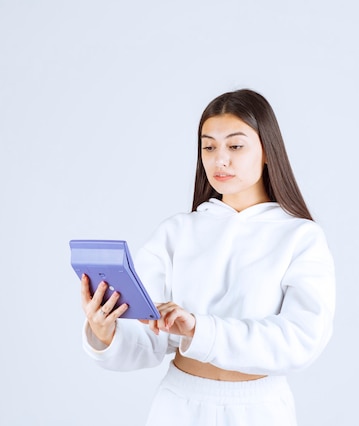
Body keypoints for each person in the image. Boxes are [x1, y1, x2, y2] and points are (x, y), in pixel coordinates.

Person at [80, 89, 336, 426]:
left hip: (259, 412)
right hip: (178, 409)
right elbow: (145, 338)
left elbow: (300, 340)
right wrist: (105, 331)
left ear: (267, 152)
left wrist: (201, 329)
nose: (220, 160)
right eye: (209, 146)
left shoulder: (300, 237)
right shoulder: (175, 233)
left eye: (235, 145)